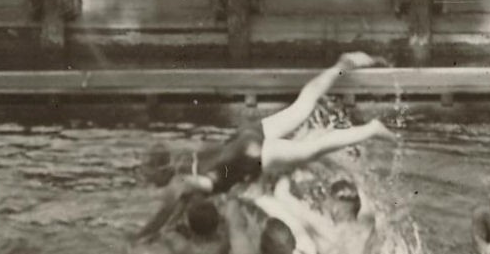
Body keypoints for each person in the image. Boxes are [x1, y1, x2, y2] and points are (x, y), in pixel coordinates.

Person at [134, 52, 395, 240]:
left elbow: (167, 210)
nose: (145, 181)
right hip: (244, 137)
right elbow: (181, 204)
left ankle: (370, 129)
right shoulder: (185, 161)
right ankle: (342, 64)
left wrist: (141, 236)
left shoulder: (182, 184)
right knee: (304, 104)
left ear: (159, 171)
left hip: (252, 156)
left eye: (146, 175)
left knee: (313, 149)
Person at [251, 176, 376, 254]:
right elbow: (366, 193)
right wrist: (354, 181)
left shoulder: (323, 229)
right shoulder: (367, 227)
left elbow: (282, 194)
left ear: (335, 209)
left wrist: (287, 175)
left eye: (327, 202)